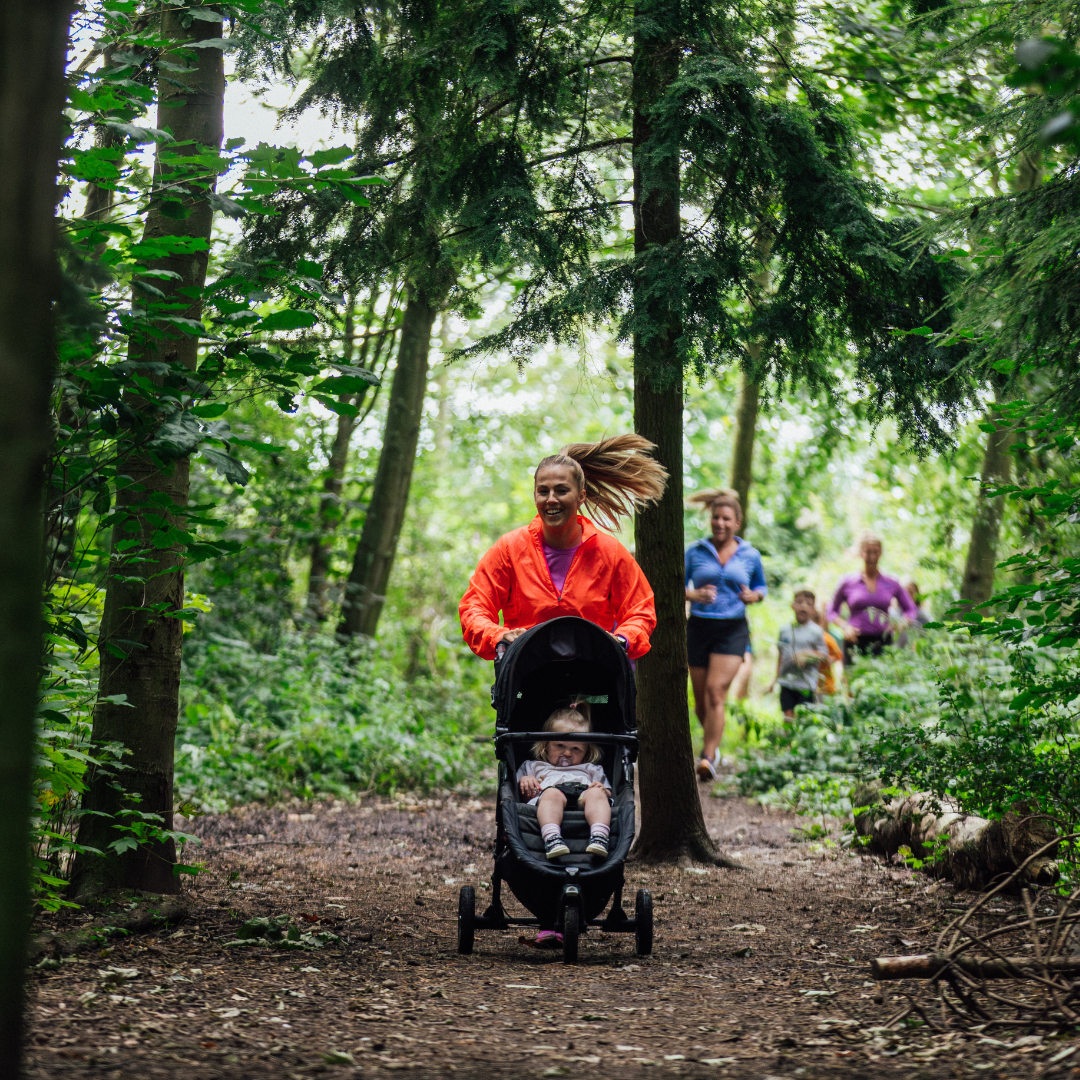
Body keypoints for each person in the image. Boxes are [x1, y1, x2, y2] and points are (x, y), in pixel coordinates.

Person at [459, 435, 668, 660]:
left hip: (593, 677)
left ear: (581, 497)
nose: (551, 499)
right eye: (543, 491)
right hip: (525, 675)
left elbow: (641, 610)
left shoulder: (610, 552)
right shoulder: (509, 548)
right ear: (535, 496)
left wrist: (621, 640)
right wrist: (498, 635)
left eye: (561, 490)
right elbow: (473, 607)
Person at [684, 491, 767, 781]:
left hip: (732, 628)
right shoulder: (695, 551)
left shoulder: (750, 554)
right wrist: (693, 594)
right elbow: (676, 585)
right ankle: (714, 746)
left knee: (716, 692)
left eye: (726, 518)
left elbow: (761, 588)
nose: (720, 523)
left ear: (738, 522)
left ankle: (708, 757)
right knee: (699, 701)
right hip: (698, 626)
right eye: (716, 517)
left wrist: (753, 596)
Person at [517, 700, 612, 860]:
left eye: (575, 748)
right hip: (551, 796)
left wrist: (602, 790)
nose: (567, 753)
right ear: (546, 745)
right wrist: (525, 781)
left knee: (597, 794)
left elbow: (608, 794)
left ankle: (599, 837)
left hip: (584, 798)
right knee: (551, 794)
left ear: (586, 751)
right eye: (560, 745)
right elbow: (520, 791)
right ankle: (552, 838)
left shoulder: (591, 769)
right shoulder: (534, 767)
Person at [827, 532, 918, 664]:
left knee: (882, 682)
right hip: (855, 642)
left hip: (883, 642)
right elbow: (831, 611)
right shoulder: (847, 582)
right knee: (854, 682)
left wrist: (902, 623)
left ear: (880, 553)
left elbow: (910, 609)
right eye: (867, 552)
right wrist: (845, 627)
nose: (871, 557)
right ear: (860, 553)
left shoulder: (891, 582)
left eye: (875, 552)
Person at [768, 590, 829, 717]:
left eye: (808, 604)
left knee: (803, 719)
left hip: (806, 684)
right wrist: (776, 679)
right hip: (787, 682)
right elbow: (781, 656)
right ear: (792, 605)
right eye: (799, 602)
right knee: (788, 718)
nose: (803, 606)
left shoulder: (816, 632)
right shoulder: (784, 630)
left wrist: (807, 655)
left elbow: (824, 655)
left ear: (813, 610)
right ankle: (787, 736)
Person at [813, 605, 844, 696]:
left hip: (826, 685)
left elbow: (838, 655)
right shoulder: (802, 638)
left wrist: (828, 659)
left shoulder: (828, 639)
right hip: (807, 684)